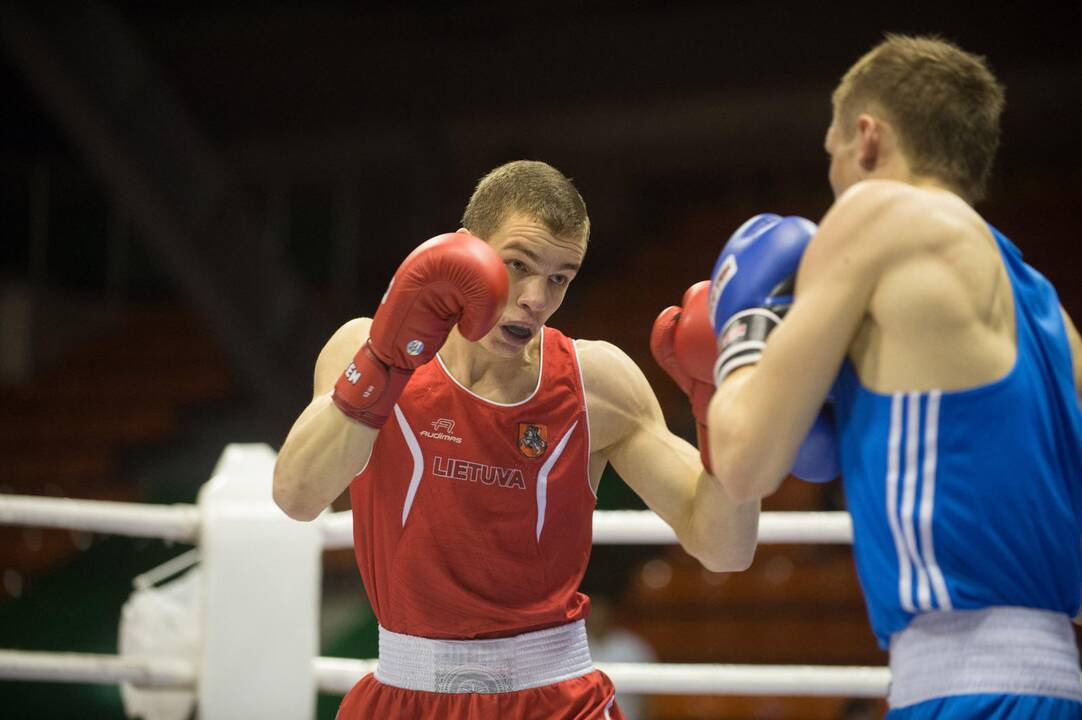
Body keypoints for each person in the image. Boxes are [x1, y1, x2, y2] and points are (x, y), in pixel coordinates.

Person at [272, 160, 760, 719]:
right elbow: (297, 497)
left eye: (560, 277)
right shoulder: (361, 346)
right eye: (518, 265)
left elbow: (726, 548)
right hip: (405, 692)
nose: (536, 297)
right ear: (465, 252)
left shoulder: (594, 381)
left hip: (556, 699)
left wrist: (726, 421)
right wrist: (383, 362)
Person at [704, 35, 1082, 718]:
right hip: (1055, 682)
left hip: (961, 689)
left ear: (869, 140)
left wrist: (741, 333)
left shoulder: (877, 214)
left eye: (834, 156)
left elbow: (743, 463)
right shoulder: (1046, 308)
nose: (835, 183)